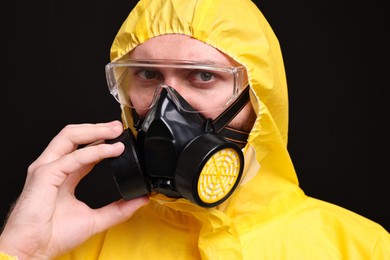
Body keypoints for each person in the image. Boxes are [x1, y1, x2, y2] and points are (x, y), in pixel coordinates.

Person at [1, 0, 389, 259]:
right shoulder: (75, 245)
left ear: (259, 99)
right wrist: (19, 252)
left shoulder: (361, 249)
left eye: (204, 76)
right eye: (148, 74)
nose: (166, 105)